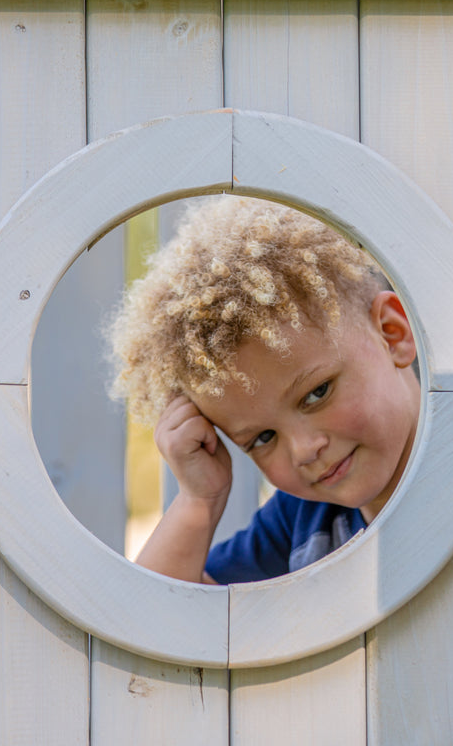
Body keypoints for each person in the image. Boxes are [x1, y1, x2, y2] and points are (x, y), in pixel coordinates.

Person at [108, 195, 421, 584]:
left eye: (317, 393)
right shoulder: (297, 525)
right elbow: (154, 622)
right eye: (263, 437)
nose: (305, 450)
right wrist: (198, 502)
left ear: (392, 334)